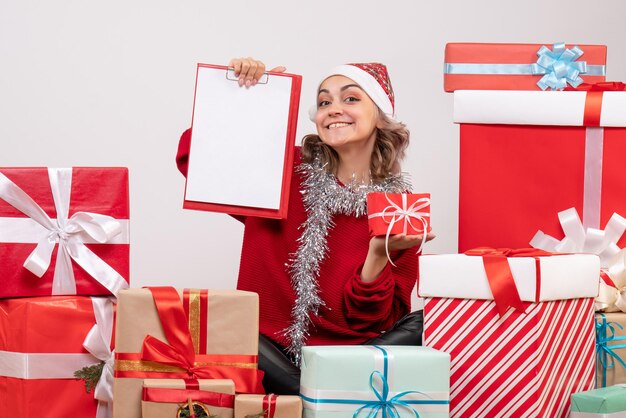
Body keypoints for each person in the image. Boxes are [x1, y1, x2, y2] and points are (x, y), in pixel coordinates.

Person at [176, 58, 433, 394]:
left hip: (344, 358)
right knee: (229, 328)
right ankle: (318, 394)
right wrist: (249, 100)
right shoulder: (284, 169)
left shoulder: (400, 209)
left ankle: (317, 393)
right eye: (324, 102)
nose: (333, 109)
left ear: (381, 117)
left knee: (430, 323)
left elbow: (374, 323)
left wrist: (378, 255)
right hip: (265, 352)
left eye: (351, 99)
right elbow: (198, 160)